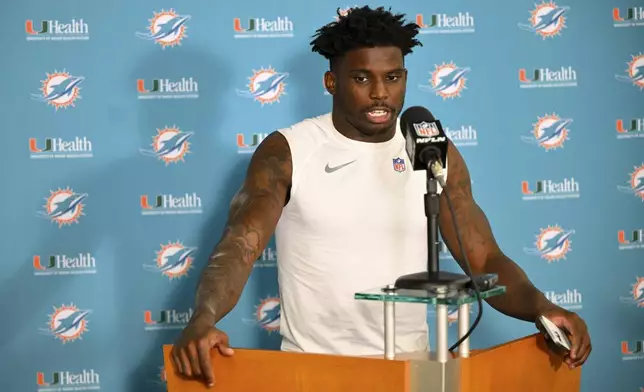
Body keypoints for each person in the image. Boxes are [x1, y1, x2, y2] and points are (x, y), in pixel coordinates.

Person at [170, 6, 591, 387]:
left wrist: (542, 308)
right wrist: (203, 318)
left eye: (392, 77)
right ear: (331, 82)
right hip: (319, 373)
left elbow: (483, 257)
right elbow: (240, 244)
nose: (380, 93)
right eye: (361, 78)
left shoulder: (433, 148)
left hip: (418, 373)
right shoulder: (289, 150)